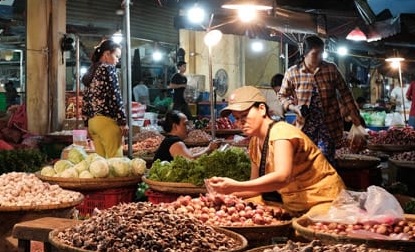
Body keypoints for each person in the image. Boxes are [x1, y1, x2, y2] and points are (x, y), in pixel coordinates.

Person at [206, 86, 345, 215]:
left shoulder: (281, 132)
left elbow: (282, 178)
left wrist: (236, 185)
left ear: (262, 109)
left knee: (303, 231)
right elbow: (256, 187)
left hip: (324, 199)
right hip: (295, 202)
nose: (240, 122)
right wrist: (225, 193)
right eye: (236, 118)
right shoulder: (255, 142)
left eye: (244, 115)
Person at [278, 35, 365, 166]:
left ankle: (328, 185)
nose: (319, 57)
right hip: (305, 126)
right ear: (305, 53)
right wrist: (294, 108)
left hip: (328, 126)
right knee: (306, 161)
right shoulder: (292, 72)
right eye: (315, 53)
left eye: (321, 53)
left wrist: (356, 119)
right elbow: (282, 96)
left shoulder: (331, 69)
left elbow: (346, 94)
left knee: (325, 161)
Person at [82, 39, 126, 158]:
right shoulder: (108, 68)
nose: (117, 60)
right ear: (107, 54)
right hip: (106, 122)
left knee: (102, 165)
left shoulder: (91, 71)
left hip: (93, 123)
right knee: (116, 164)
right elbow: (115, 95)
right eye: (116, 56)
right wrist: (122, 120)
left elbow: (85, 100)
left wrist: (86, 124)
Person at [153, 110, 219, 162]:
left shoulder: (169, 139)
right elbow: (190, 161)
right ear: (175, 126)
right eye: (185, 124)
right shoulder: (175, 142)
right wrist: (209, 149)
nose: (188, 128)